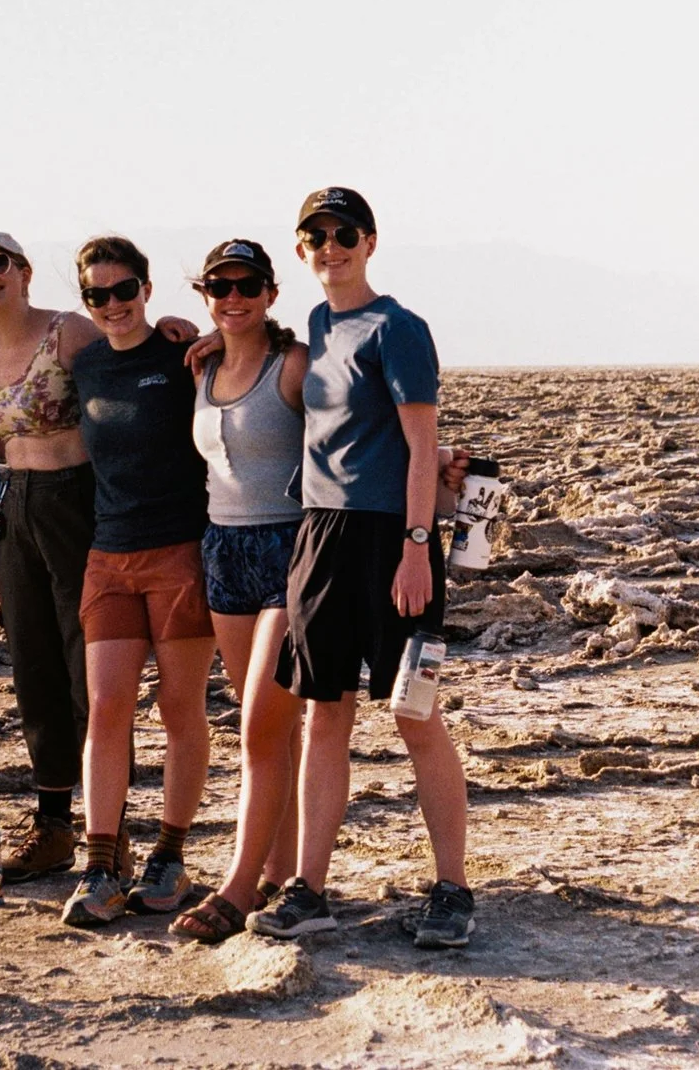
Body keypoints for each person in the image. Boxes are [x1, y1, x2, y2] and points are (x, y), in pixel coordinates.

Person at [246, 187, 477, 950]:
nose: (330, 246)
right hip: (320, 538)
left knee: (416, 713)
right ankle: (309, 888)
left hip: (390, 541)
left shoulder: (400, 329)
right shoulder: (317, 323)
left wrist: (417, 546)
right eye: (316, 235)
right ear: (301, 245)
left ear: (370, 241)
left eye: (344, 233)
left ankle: (453, 890)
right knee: (325, 712)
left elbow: (420, 448)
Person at [0, 230, 200, 884]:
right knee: (33, 665)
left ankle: (113, 833)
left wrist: (177, 331)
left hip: (77, 503)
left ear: (25, 270)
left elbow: (134, 354)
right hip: (14, 504)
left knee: (88, 670)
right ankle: (54, 823)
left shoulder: (70, 332)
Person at [60, 236, 215, 928]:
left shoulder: (180, 358)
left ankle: (171, 854)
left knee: (180, 709)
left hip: (179, 553)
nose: (114, 305)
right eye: (99, 295)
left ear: (147, 289)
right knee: (107, 707)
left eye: (125, 290)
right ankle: (100, 864)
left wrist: (198, 331)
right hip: (108, 557)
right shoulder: (86, 363)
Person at [166, 238, 308, 941]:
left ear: (270, 293)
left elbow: (356, 426)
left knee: (260, 725)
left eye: (247, 283)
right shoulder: (202, 363)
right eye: (219, 285)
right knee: (274, 728)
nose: (233, 296)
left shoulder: (295, 365)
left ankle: (238, 884)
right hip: (223, 550)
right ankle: (284, 877)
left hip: (288, 550)